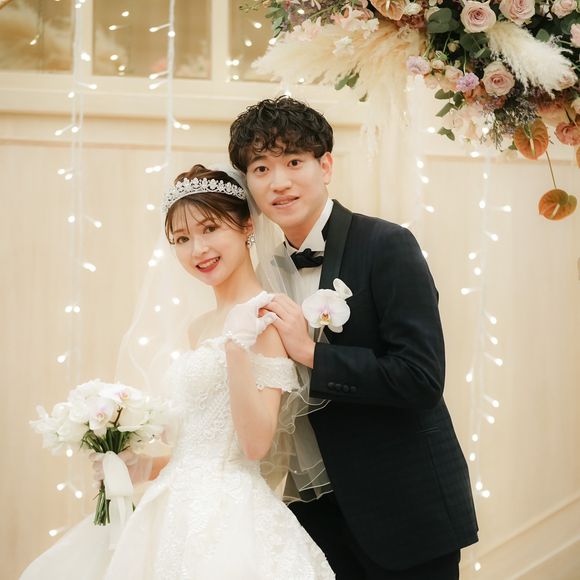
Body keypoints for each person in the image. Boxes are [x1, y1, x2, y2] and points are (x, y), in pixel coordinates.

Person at [21, 164, 334, 579]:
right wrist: (140, 467)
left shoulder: (265, 317)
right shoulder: (198, 327)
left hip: (228, 521)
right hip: (171, 510)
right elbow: (199, 447)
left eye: (209, 229)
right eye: (182, 238)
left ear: (246, 226)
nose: (197, 249)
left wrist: (236, 348)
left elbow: (255, 445)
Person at [228, 96, 479, 580]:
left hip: (404, 510)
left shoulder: (387, 245)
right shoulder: (263, 273)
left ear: (325, 166)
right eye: (261, 168)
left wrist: (311, 353)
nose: (278, 182)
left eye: (293, 162)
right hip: (312, 518)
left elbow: (421, 378)